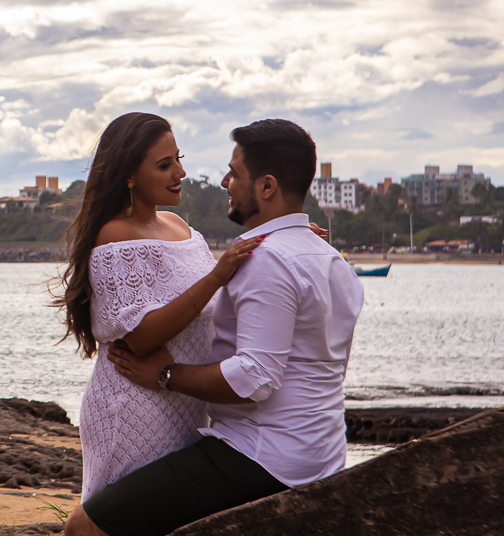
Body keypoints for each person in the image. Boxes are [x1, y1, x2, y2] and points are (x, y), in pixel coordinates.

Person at [65, 119, 365, 536]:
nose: (222, 181)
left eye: (234, 174)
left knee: (86, 528)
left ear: (266, 187)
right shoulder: (329, 259)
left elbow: (255, 375)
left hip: (259, 451)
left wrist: (167, 375)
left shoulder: (270, 259)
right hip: (317, 450)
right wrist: (291, 237)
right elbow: (203, 295)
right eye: (166, 164)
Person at [53, 112, 264, 501]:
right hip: (135, 405)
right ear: (129, 175)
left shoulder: (178, 226)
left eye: (178, 159)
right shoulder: (115, 235)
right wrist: (217, 275)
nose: (179, 172)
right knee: (120, 522)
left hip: (181, 401)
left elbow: (219, 290)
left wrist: (287, 238)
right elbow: (142, 335)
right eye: (164, 165)